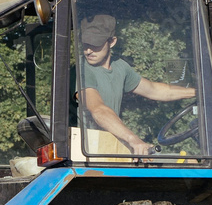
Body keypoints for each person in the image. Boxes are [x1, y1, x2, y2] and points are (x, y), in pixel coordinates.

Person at [77, 14, 197, 155]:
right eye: (86, 44)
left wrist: (198, 92)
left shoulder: (120, 67)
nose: (88, 51)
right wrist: (133, 139)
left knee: (189, 160)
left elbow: (154, 90)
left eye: (95, 44)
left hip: (109, 147)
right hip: (84, 151)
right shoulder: (81, 68)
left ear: (112, 42)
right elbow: (98, 109)